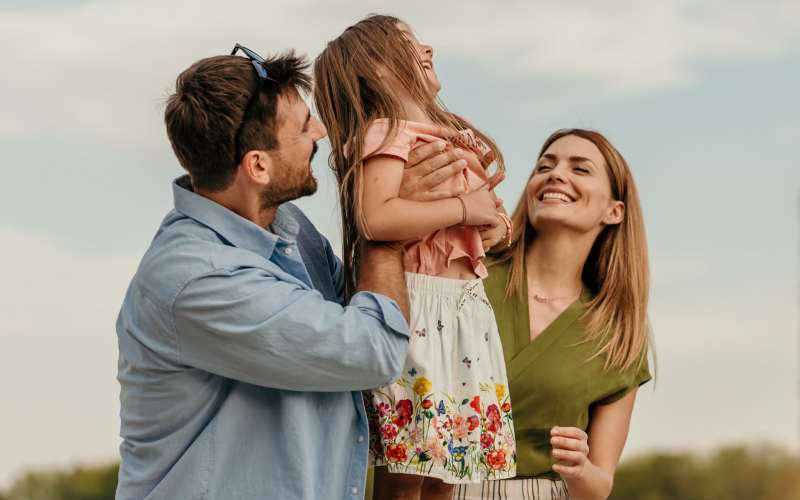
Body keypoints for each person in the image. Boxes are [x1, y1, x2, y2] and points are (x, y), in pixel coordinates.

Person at [114, 45, 466, 500]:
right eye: (303, 127)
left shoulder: (289, 226)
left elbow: (362, 302)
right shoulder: (198, 279)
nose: (320, 130)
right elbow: (373, 349)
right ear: (257, 165)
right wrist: (385, 227)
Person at [313, 15, 516, 500]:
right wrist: (464, 208)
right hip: (419, 307)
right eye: (409, 44)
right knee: (408, 467)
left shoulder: (451, 136)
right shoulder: (386, 133)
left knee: (450, 466)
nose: (428, 49)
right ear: (378, 68)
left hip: (466, 310)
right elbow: (376, 218)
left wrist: (493, 224)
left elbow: (492, 221)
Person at [451, 129, 653, 500]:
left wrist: (580, 468)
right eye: (545, 166)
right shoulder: (467, 272)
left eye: (580, 169)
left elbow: (599, 485)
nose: (556, 174)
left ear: (614, 211)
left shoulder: (617, 335)